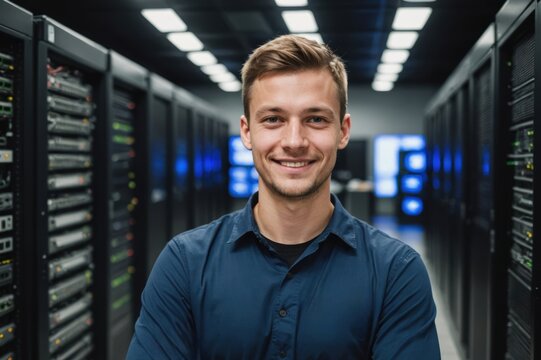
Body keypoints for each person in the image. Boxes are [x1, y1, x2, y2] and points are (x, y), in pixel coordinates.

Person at [127, 34, 440, 359]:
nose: (294, 141)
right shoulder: (184, 264)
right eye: (273, 119)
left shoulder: (396, 273)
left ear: (343, 131)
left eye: (315, 119)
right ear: (247, 132)